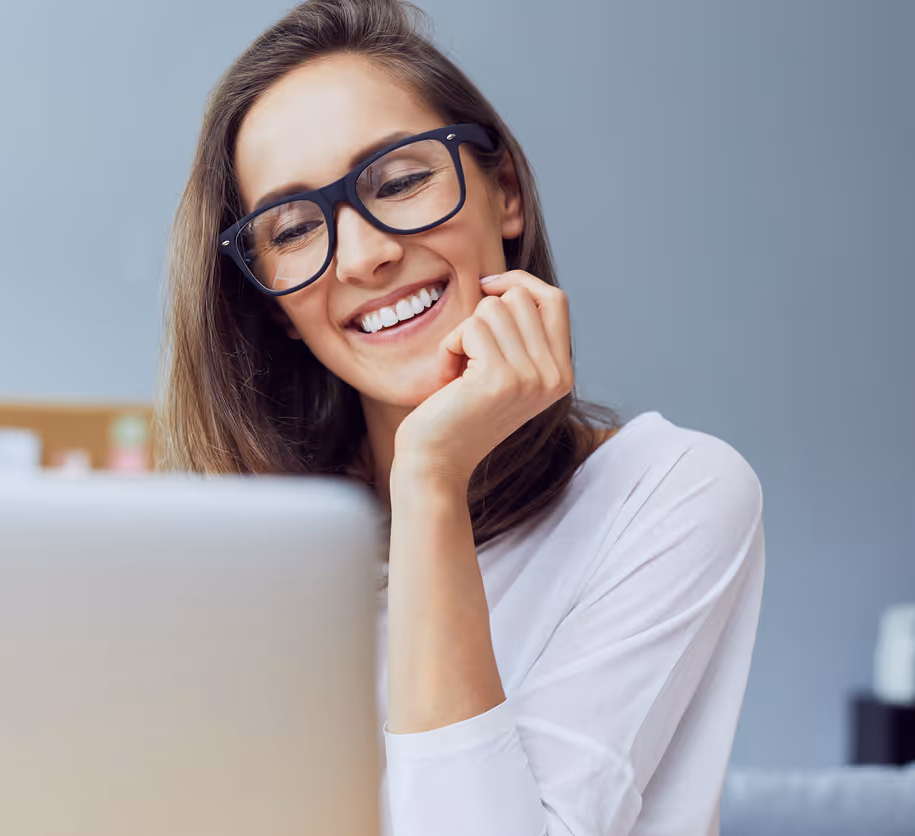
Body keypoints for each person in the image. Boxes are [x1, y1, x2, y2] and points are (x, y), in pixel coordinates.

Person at [157, 1, 766, 833]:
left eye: (401, 182)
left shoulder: (673, 492)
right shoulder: (252, 560)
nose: (367, 253)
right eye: (295, 229)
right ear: (270, 305)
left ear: (503, 191)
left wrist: (430, 480)